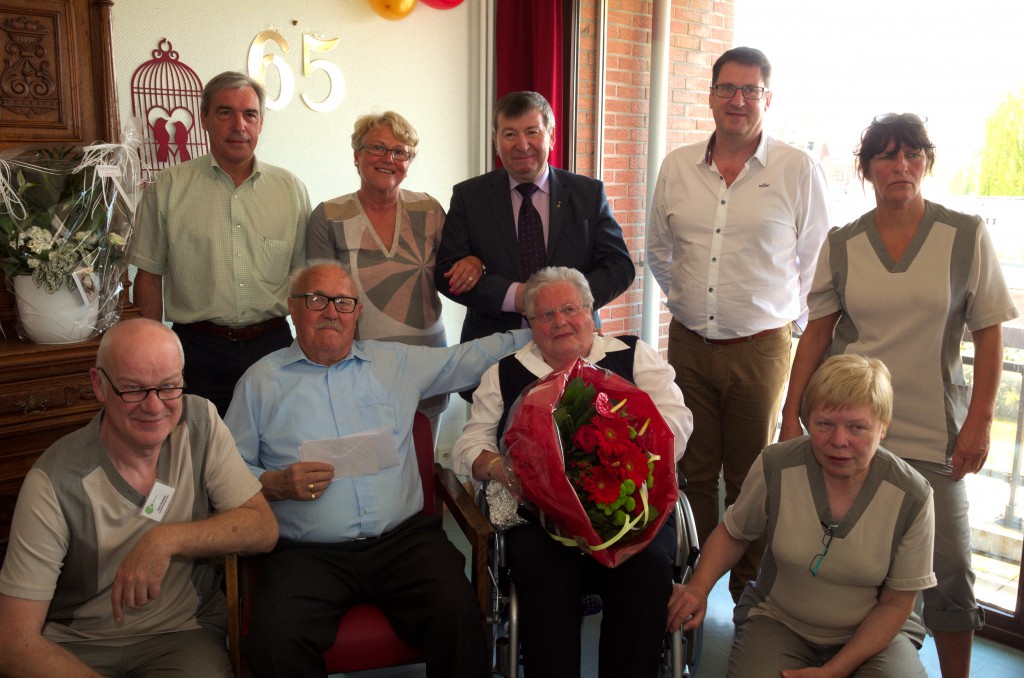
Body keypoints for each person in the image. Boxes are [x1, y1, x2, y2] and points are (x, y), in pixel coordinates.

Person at [778, 113, 1018, 678]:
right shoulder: (844, 243)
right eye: (886, 156)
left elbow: (989, 331)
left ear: (927, 162)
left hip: (932, 430)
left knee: (950, 567)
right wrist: (792, 416)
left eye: (912, 154)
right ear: (867, 170)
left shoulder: (965, 235)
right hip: (847, 431)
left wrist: (980, 420)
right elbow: (816, 334)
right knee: (847, 555)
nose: (900, 166)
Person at [223, 260, 530, 678]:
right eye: (317, 300)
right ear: (293, 310)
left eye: (344, 302)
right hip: (308, 554)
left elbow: (470, 357)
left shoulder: (395, 364)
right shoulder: (259, 382)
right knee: (275, 640)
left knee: (458, 615)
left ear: (357, 313)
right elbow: (227, 470)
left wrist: (546, 326)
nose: (332, 311)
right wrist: (272, 484)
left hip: (403, 544)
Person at [645, 46, 831, 600]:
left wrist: (783, 324)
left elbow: (816, 266)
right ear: (710, 96)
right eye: (727, 88)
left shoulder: (797, 169)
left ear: (767, 99)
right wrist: (688, 303)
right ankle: (695, 582)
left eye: (750, 90)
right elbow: (659, 249)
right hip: (688, 344)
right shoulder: (677, 165)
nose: (738, 100)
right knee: (694, 469)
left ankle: (751, 592)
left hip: (761, 349)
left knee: (755, 472)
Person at [0, 318, 278, 677]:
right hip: (77, 646)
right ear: (98, 385)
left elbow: (263, 528)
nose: (154, 406)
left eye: (169, 386)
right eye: (133, 389)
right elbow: (13, 642)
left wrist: (165, 540)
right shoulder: (53, 482)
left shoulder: (201, 423)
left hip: (182, 637)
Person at [452, 266, 693, 678]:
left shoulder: (632, 355)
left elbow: (676, 421)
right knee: (541, 574)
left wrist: (626, 456)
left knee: (648, 568)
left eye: (570, 309)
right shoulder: (507, 372)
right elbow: (469, 446)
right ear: (530, 324)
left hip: (629, 510)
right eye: (546, 315)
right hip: (541, 519)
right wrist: (504, 468)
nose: (560, 322)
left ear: (590, 311)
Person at [669, 354, 936, 678]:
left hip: (876, 632)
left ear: (883, 427)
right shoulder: (777, 465)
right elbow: (734, 532)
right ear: (809, 420)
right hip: (779, 619)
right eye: (825, 424)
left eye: (857, 427)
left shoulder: (913, 497)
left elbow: (896, 605)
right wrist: (699, 587)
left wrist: (836, 670)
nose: (839, 441)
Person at [131, 71, 311, 417]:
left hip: (273, 349)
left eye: (250, 114)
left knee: (278, 452)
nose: (238, 125)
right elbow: (149, 275)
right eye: (225, 112)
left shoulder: (290, 190)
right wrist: (151, 356)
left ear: (261, 124)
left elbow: (303, 278)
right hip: (196, 351)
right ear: (204, 120)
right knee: (197, 456)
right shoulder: (168, 187)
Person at [306, 111, 468, 430]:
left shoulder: (430, 209)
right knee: (366, 471)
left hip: (426, 369)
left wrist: (474, 261)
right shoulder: (328, 216)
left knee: (422, 471)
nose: (388, 158)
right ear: (356, 155)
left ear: (408, 163)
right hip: (358, 371)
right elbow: (320, 305)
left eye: (400, 152)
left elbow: (458, 265)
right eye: (377, 148)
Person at [434, 90, 634, 346]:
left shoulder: (588, 193)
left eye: (532, 132)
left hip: (573, 344)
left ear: (551, 136)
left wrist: (568, 303)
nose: (522, 145)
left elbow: (619, 267)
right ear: (496, 141)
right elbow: (446, 273)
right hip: (492, 348)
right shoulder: (469, 196)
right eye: (509, 134)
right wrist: (515, 296)